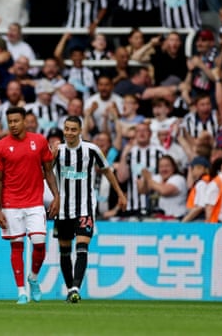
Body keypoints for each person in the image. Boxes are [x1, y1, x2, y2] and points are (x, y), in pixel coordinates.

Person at [0, 106, 60, 304]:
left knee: (39, 243)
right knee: (17, 246)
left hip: (34, 202)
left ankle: (34, 277)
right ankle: (21, 290)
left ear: (24, 121)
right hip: (11, 203)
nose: (12, 125)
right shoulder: (0, 146)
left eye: (16, 121)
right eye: (9, 121)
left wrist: (56, 196)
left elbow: (48, 171)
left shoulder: (38, 141)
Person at [54, 116, 126, 303]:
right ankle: (71, 289)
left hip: (84, 207)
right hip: (62, 209)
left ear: (80, 131)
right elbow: (45, 173)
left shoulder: (92, 150)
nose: (69, 132)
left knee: (82, 247)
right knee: (64, 251)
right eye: (66, 129)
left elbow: (107, 171)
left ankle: (76, 286)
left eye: (73, 129)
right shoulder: (57, 151)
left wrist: (120, 193)